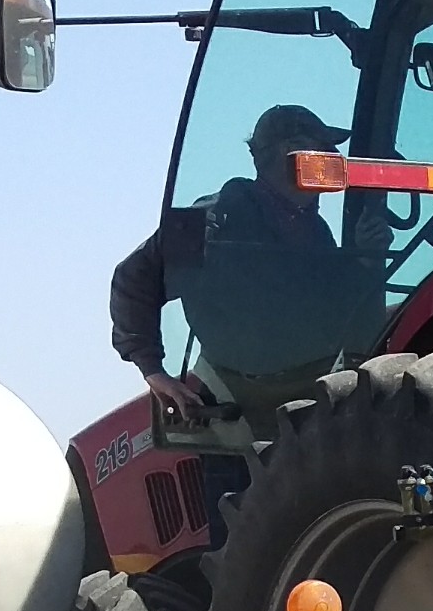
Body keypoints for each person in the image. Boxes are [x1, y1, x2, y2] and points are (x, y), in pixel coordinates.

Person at [110, 104, 356, 422]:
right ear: (289, 152)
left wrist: (368, 261)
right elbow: (133, 278)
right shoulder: (214, 219)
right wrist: (154, 371)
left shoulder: (316, 231)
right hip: (234, 401)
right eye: (323, 147)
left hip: (308, 395)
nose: (334, 156)